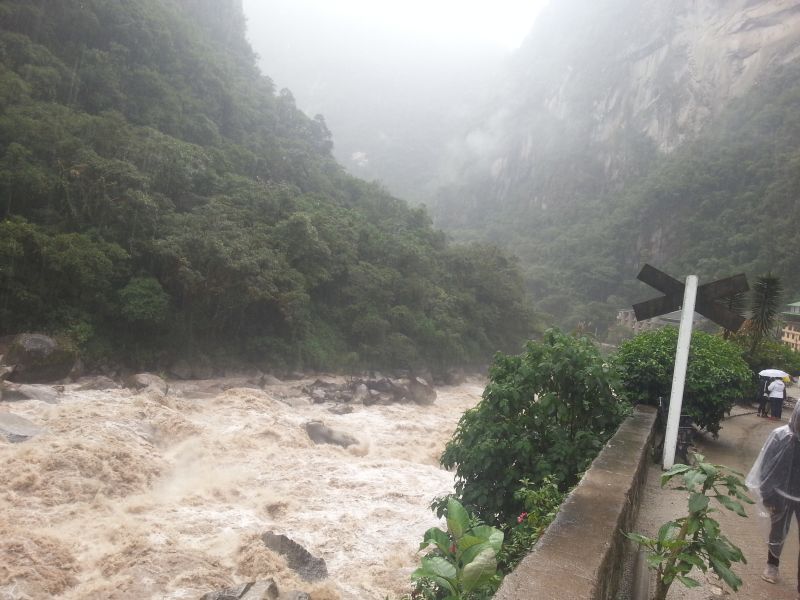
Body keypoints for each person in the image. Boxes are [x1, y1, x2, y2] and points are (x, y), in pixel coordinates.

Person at [746, 402, 800, 592]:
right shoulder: (780, 436)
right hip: (780, 492)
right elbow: (766, 467)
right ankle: (772, 565)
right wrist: (767, 495)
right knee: (778, 528)